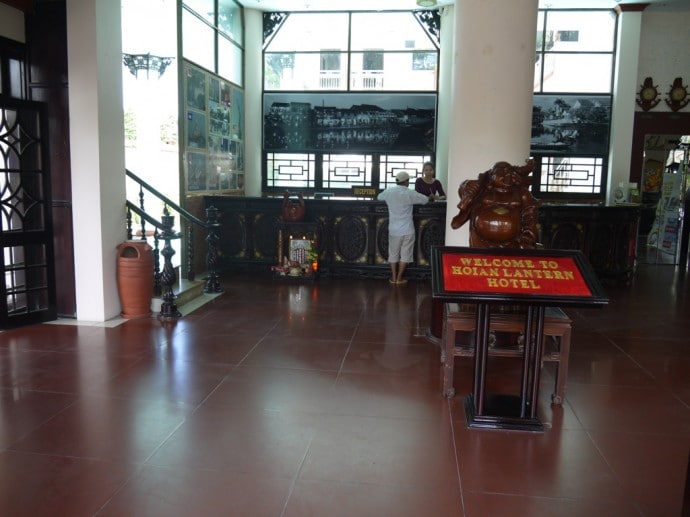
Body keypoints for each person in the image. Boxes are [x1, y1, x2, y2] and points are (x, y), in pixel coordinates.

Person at [378, 171, 432, 284]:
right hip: (408, 229)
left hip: (393, 229)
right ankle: (399, 278)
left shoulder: (389, 192)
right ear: (406, 181)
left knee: (393, 253)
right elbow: (425, 200)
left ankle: (393, 278)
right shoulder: (410, 193)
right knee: (405, 254)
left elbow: (379, 197)